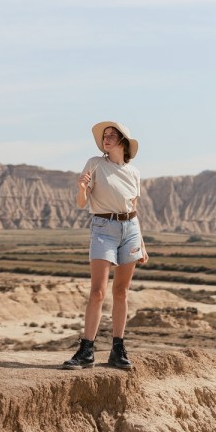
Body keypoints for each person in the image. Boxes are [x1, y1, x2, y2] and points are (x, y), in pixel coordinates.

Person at [62, 121, 149, 370]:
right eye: (105, 136)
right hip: (103, 228)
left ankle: (117, 349)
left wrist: (141, 242)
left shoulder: (134, 172)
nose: (106, 138)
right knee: (98, 292)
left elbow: (133, 208)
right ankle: (86, 350)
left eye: (112, 135)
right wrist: (81, 188)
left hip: (130, 230)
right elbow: (82, 202)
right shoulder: (95, 164)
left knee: (121, 291)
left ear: (122, 142)